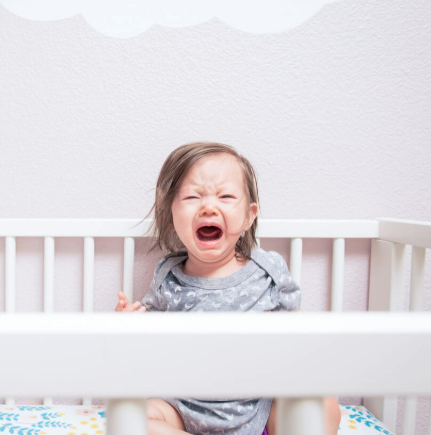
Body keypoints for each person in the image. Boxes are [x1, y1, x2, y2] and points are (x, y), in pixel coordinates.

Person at [115, 142, 341, 435]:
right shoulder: (167, 277)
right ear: (171, 217)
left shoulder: (268, 271)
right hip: (183, 410)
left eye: (226, 196)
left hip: (257, 407)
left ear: (249, 215)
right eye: (193, 196)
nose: (209, 206)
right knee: (128, 418)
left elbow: (299, 332)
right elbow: (151, 346)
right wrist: (128, 328)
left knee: (322, 404)